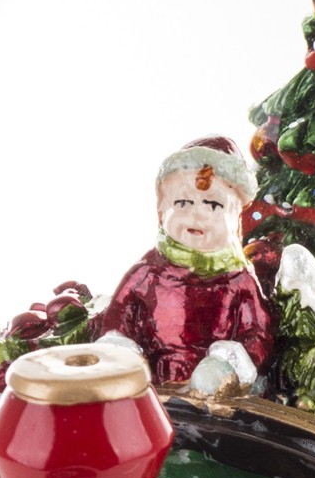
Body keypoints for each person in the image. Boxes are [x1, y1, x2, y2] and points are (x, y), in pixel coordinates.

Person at [93, 137, 274, 387]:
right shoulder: (147, 272)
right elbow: (119, 318)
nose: (196, 214)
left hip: (215, 389)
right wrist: (122, 349)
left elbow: (257, 332)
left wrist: (230, 362)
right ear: (161, 212)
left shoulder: (239, 281)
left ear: (236, 218)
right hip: (152, 383)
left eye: (213, 204)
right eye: (183, 203)